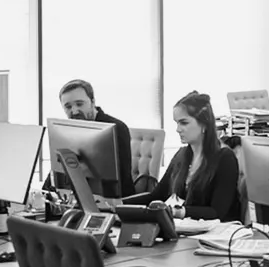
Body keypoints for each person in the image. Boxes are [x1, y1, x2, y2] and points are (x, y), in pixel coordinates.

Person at [126, 92, 240, 222]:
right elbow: (157, 196)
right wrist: (116, 204)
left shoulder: (225, 158)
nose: (178, 129)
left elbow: (217, 212)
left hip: (216, 234)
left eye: (184, 123)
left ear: (204, 125)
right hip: (187, 230)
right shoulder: (182, 155)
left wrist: (178, 212)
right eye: (177, 123)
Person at [53, 78, 135, 199]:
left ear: (92, 101)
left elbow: (120, 178)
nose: (74, 111)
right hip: (81, 197)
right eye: (68, 107)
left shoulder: (116, 128)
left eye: (79, 104)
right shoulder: (69, 131)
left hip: (115, 201)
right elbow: (60, 168)